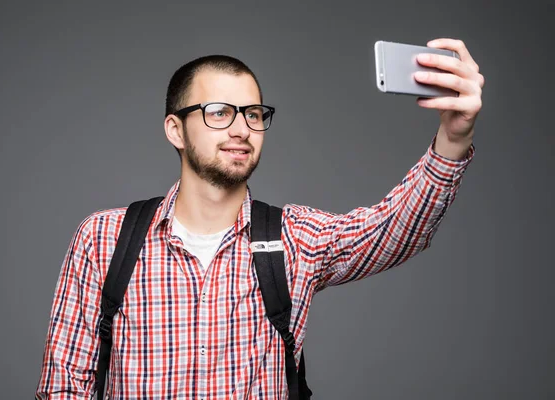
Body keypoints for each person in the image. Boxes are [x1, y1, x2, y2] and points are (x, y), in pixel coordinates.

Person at [35, 37, 484, 399]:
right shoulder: (104, 238)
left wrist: (452, 136)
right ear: (176, 129)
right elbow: (62, 387)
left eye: (252, 114)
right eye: (218, 113)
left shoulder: (295, 237)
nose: (240, 128)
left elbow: (395, 229)